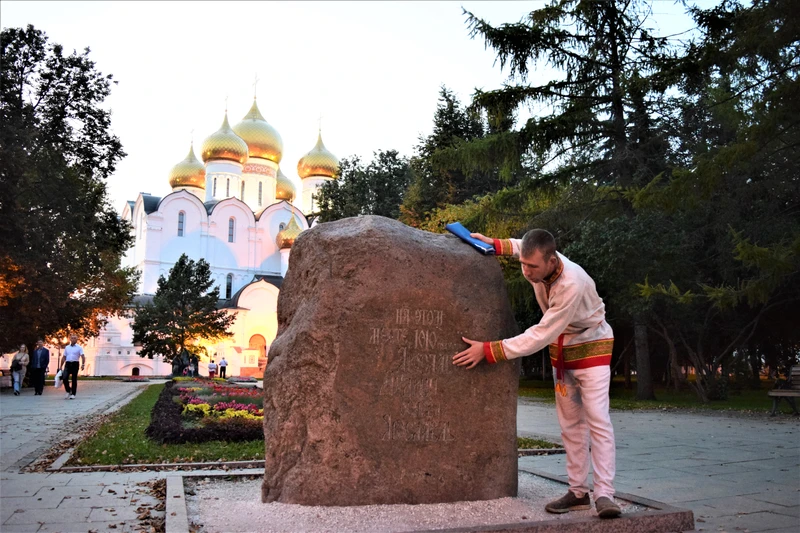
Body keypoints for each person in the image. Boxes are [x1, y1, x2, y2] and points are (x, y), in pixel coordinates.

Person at [453, 229, 621, 519]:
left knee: (597, 420)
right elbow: (520, 247)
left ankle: (605, 494)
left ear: (553, 262)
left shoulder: (572, 283)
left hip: (591, 345)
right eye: (524, 265)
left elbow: (541, 334)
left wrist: (490, 351)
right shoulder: (536, 257)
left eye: (533, 267)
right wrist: (492, 244)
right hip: (563, 348)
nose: (527, 272)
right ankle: (578, 492)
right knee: (570, 426)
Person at [60, 334, 85, 399]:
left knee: (74, 379)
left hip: (75, 363)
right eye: (72, 338)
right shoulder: (67, 347)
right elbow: (64, 357)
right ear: (70, 339)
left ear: (77, 339)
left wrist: (83, 364)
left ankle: (73, 394)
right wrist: (61, 366)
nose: (73, 339)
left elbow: (82, 356)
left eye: (75, 338)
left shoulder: (79, 347)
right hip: (68, 364)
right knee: (65, 378)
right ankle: (68, 390)